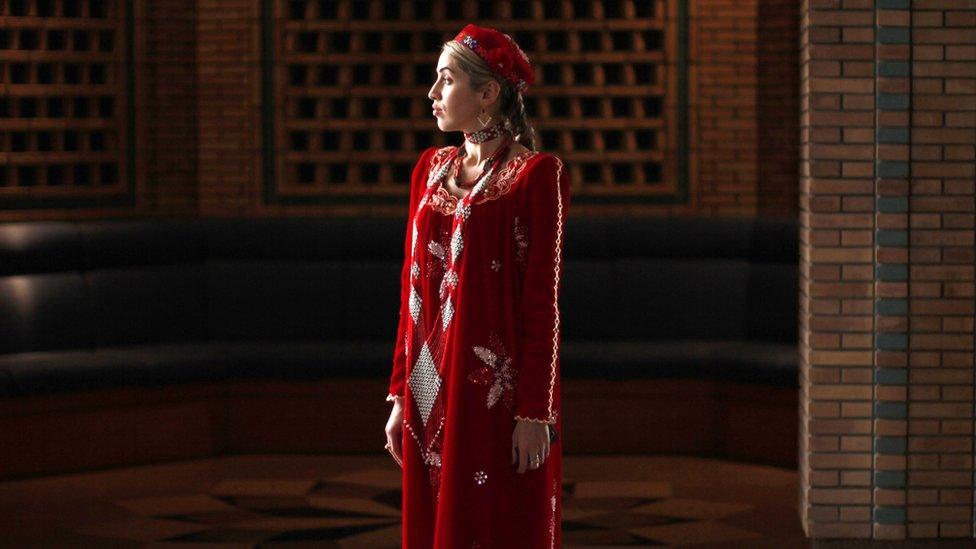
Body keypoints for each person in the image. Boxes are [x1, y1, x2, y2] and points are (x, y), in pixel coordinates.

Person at [383, 23, 569, 548]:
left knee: (493, 524)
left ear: (487, 93)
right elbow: (410, 290)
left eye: (446, 81)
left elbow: (543, 302)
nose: (432, 93)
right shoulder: (430, 167)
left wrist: (536, 411)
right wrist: (401, 394)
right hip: (428, 382)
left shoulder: (537, 175)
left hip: (494, 393)